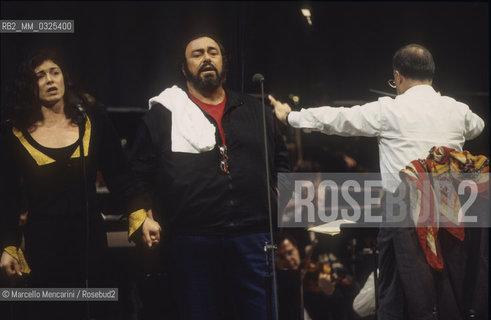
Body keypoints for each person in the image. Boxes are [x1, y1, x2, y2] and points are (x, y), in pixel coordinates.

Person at [269, 44, 485, 319]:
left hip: (405, 211)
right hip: (450, 210)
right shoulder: (456, 110)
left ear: (398, 77)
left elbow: (338, 119)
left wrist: (290, 116)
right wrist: (444, 104)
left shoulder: (390, 110)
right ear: (431, 75)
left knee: (395, 292)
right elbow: (478, 125)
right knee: (445, 287)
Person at [129, 33, 290, 320]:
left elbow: (282, 162)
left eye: (213, 52)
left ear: (223, 62)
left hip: (253, 237)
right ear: (184, 67)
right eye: (197, 53)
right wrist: (142, 214)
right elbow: (138, 172)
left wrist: (280, 205)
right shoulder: (164, 115)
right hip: (192, 240)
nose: (206, 58)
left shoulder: (256, 112)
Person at [0, 50, 161, 319]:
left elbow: (121, 176)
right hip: (44, 246)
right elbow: (7, 197)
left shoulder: (92, 120)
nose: (50, 80)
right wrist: (8, 246)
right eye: (40, 75)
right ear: (28, 84)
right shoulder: (13, 133)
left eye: (55, 72)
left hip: (91, 242)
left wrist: (140, 217)